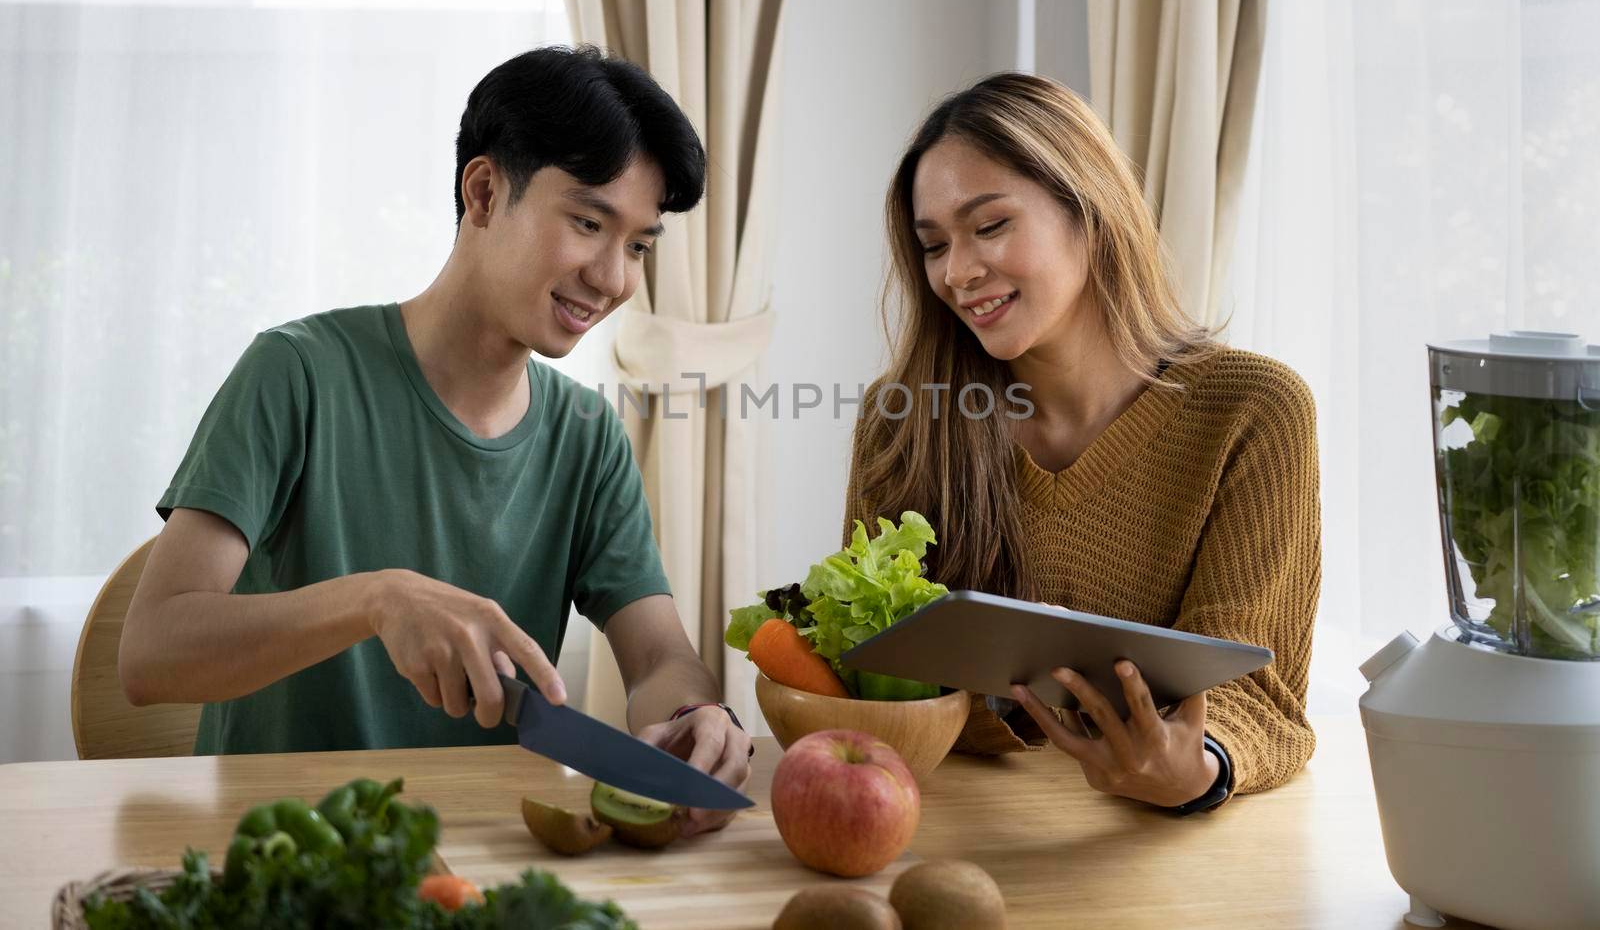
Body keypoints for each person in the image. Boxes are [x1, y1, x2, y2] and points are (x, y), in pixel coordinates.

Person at [119, 45, 749, 835]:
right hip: (280, 857)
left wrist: (695, 712)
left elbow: (659, 657)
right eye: (589, 223)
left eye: (638, 245)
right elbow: (150, 653)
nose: (613, 277)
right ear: (484, 191)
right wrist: (376, 599)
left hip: (488, 861)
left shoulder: (587, 437)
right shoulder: (298, 374)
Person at [842, 72, 1320, 814]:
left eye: (991, 225)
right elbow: (874, 665)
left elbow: (1257, 690)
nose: (958, 272)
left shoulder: (1254, 412)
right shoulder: (903, 418)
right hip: (939, 824)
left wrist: (1193, 768)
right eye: (933, 244)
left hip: (1159, 846)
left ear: (1089, 210)